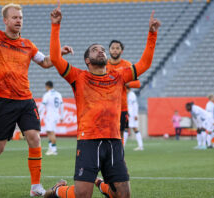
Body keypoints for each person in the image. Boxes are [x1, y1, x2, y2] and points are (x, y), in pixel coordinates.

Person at [44, 2, 160, 198]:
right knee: (82, 195)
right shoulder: (78, 77)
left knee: (123, 195)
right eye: (95, 50)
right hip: (88, 140)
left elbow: (145, 63)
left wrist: (152, 33)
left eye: (102, 49)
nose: (100, 51)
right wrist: (55, 25)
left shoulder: (119, 75)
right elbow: (55, 58)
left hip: (114, 141)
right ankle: (57, 191)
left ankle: (100, 184)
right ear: (87, 60)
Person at [0, 0, 73, 196]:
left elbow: (46, 62)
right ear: (5, 20)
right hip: (4, 100)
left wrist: (60, 54)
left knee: (34, 138)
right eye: (15, 17)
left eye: (21, 18)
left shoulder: (28, 45)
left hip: (25, 99)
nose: (19, 21)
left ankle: (35, 187)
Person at [106, 40, 141, 146]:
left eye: (117, 48)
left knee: (120, 133)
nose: (115, 50)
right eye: (113, 48)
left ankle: (119, 157)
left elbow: (137, 83)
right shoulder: (104, 64)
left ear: (122, 50)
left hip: (122, 106)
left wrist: (125, 83)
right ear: (109, 50)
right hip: (106, 106)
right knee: (105, 133)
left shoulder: (127, 65)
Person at [39, 81, 64, 156]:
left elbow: (43, 105)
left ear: (47, 86)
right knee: (49, 131)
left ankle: (54, 150)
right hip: (56, 115)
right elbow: (62, 106)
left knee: (51, 132)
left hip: (50, 115)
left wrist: (38, 112)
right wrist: (62, 116)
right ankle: (50, 148)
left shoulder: (47, 95)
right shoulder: (58, 94)